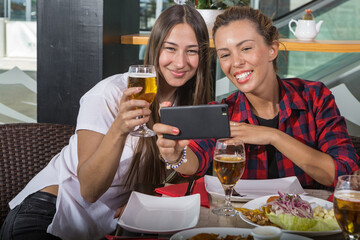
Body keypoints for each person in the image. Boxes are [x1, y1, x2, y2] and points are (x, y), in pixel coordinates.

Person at [0, 4, 212, 240]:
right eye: (170, 48)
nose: (180, 62)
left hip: (100, 227)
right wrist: (119, 129)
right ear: (154, 48)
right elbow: (89, 190)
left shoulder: (189, 104)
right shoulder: (108, 94)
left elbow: (184, 169)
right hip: (49, 213)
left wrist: (143, 203)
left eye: (191, 51)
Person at [154, 6, 360, 190]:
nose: (236, 62)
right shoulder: (223, 112)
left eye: (246, 48)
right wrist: (175, 156)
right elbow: (194, 162)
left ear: (272, 49)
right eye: (225, 55)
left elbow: (342, 174)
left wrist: (273, 136)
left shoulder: (315, 97)